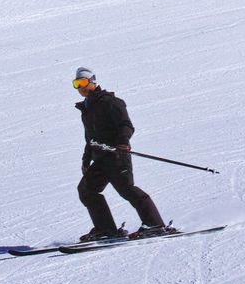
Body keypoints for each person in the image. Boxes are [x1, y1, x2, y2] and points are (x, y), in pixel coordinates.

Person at [72, 67, 176, 242]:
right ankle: (105, 229)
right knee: (86, 189)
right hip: (100, 159)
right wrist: (86, 158)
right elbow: (90, 137)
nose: (80, 87)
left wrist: (123, 142)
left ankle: (154, 224)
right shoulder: (87, 107)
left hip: (116, 156)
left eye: (83, 82)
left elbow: (125, 125)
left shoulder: (110, 102)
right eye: (76, 84)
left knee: (126, 189)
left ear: (93, 82)